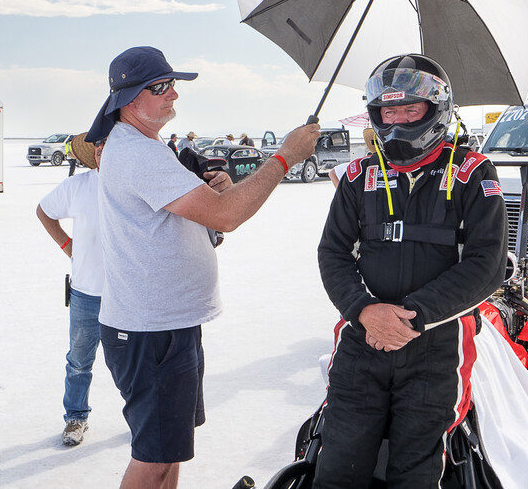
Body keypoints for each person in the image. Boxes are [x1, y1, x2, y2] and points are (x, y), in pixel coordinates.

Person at [85, 46, 319, 489]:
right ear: (129, 99)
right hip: (152, 332)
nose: (174, 95)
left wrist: (218, 195)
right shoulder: (138, 152)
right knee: (152, 459)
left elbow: (208, 214)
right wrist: (286, 156)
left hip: (166, 325)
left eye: (174, 85)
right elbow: (227, 215)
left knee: (169, 453)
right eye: (161, 87)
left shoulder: (142, 146)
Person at [313, 54, 508, 489]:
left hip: (436, 345)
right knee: (337, 469)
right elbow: (333, 253)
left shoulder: (473, 173)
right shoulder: (357, 175)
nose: (398, 120)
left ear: (436, 110)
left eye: (410, 109)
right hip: (363, 340)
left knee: (415, 474)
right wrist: (364, 312)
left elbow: (488, 263)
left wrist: (413, 317)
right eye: (389, 111)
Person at [36, 132, 107, 447]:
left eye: (112, 146)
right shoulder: (78, 187)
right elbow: (44, 211)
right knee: (79, 361)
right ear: (93, 153)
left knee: (137, 364)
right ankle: (76, 417)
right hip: (86, 294)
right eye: (100, 146)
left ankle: (142, 420)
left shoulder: (136, 186)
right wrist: (69, 246)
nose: (105, 151)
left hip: (130, 294)